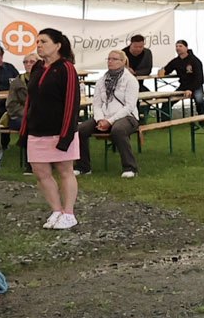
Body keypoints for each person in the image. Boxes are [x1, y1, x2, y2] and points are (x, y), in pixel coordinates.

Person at [22, 29, 82, 229]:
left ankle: (69, 213)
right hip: (37, 130)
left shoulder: (66, 68)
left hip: (59, 129)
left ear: (57, 45)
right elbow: (31, 99)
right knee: (40, 172)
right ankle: (56, 210)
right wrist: (25, 128)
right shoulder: (37, 67)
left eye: (44, 41)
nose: (39, 45)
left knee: (65, 170)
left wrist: (66, 135)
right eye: (37, 42)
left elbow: (72, 102)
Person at [93, 48, 143, 178]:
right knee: (80, 129)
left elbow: (129, 106)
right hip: (105, 116)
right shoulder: (102, 80)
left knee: (118, 130)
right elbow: (97, 104)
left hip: (128, 117)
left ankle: (130, 168)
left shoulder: (130, 80)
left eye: (114, 59)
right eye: (108, 59)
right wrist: (100, 119)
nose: (110, 61)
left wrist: (110, 121)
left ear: (122, 62)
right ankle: (83, 167)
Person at [5, 52, 38, 169]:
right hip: (19, 116)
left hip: (40, 115)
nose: (28, 64)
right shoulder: (17, 82)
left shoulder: (44, 80)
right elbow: (11, 105)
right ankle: (29, 164)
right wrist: (28, 113)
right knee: (30, 125)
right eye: (25, 62)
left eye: (32, 62)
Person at [160, 39, 204, 115]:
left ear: (186, 48)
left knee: (199, 100)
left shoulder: (195, 61)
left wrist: (190, 89)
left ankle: (203, 119)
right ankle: (165, 121)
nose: (178, 48)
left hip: (196, 86)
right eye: (176, 46)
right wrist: (162, 71)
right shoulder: (176, 61)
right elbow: (166, 70)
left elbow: (199, 79)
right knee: (167, 101)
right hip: (183, 87)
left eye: (180, 46)